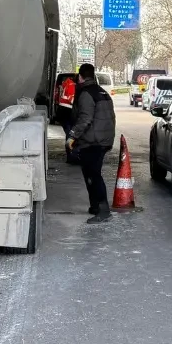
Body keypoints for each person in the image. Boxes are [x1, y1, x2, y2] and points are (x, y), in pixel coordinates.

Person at [67, 63, 116, 224]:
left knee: (93, 175)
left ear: (80, 77)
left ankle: (103, 210)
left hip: (92, 142)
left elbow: (85, 119)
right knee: (91, 173)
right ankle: (95, 206)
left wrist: (72, 136)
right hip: (103, 139)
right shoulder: (102, 92)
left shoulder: (86, 94)